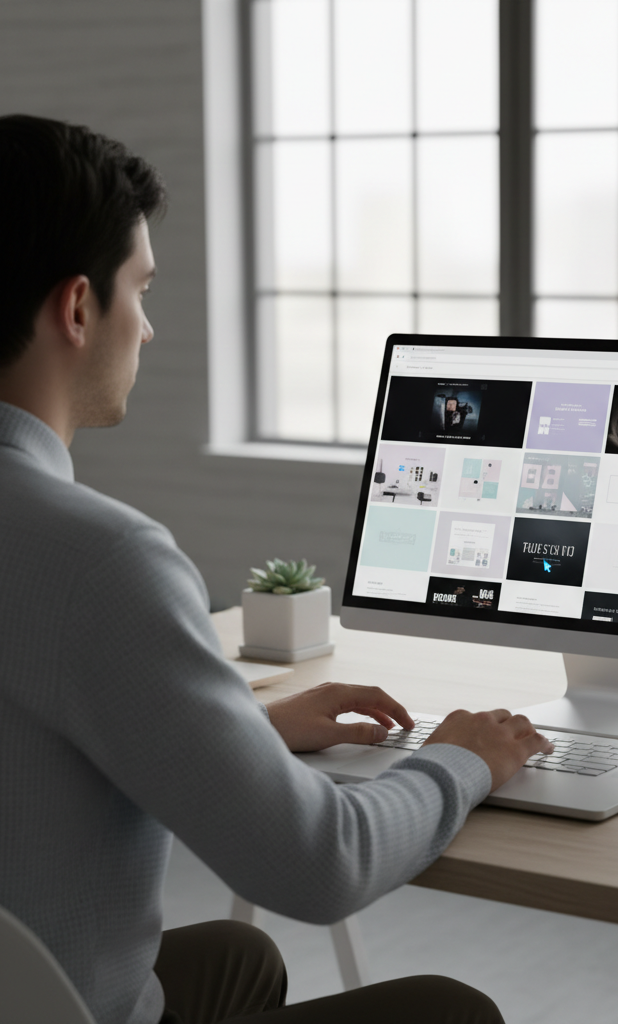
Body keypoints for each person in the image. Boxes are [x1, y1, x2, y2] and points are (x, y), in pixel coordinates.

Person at [0, 115, 552, 1024]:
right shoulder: (98, 560)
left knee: (234, 956)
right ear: (76, 308)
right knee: (446, 1010)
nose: (149, 327)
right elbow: (320, 864)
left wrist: (241, 730)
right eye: (140, 289)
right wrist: (461, 760)